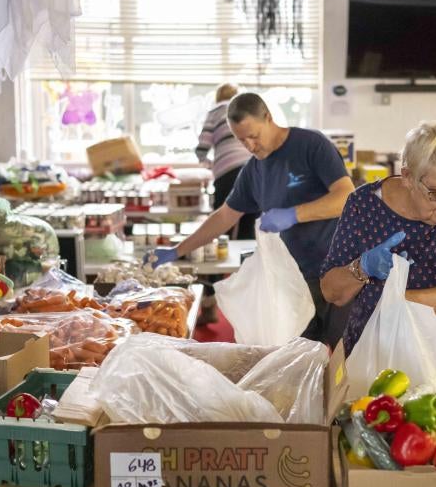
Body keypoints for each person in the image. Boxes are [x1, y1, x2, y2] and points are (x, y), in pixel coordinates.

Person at [319, 122, 436, 412]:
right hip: (376, 363)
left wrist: (401, 302)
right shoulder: (364, 206)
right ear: (407, 177)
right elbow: (331, 291)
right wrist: (361, 267)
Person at [149, 92, 355, 345]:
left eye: (253, 136)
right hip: (289, 278)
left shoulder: (310, 145)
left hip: (331, 269)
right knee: (301, 354)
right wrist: (177, 250)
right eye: (240, 140)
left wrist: (294, 214)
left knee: (341, 350)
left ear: (268, 117)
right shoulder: (254, 170)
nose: (249, 146)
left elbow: (346, 196)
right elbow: (225, 215)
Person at [195, 83, 256, 240]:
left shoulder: (214, 112)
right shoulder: (247, 113)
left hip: (226, 172)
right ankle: (246, 259)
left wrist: (213, 165)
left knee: (222, 222)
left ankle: (221, 257)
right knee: (250, 220)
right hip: (252, 168)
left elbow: (202, 149)